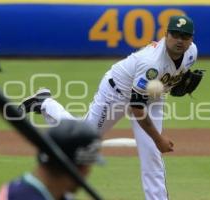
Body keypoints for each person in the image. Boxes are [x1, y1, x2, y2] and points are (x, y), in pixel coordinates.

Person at [19, 15, 200, 200]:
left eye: (184, 36)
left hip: (152, 97)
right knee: (83, 137)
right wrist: (159, 138)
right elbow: (137, 108)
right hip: (116, 93)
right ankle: (45, 104)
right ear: (166, 34)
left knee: (152, 155)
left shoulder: (192, 53)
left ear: (191, 39)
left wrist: (176, 83)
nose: (179, 40)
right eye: (175, 34)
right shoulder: (151, 63)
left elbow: (174, 76)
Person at [0, 120, 103, 200]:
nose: (88, 172)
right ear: (81, 169)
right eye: (88, 165)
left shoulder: (48, 193)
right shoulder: (23, 196)